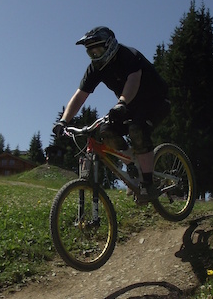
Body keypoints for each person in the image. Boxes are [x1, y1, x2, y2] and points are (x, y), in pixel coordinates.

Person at [52, 26, 169, 202]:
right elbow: (80, 96)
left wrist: (121, 102)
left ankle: (148, 184)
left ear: (110, 45)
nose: (95, 55)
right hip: (129, 105)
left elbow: (133, 81)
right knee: (105, 130)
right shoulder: (95, 68)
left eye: (98, 50)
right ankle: (133, 165)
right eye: (91, 53)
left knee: (137, 129)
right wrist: (63, 121)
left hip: (155, 101)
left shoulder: (128, 55)